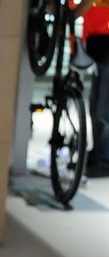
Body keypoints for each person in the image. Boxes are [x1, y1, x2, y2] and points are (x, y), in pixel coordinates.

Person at [77, 0, 109, 177]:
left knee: (103, 110)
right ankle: (98, 155)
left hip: (105, 46)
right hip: (97, 45)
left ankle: (104, 160)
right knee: (95, 107)